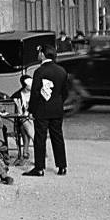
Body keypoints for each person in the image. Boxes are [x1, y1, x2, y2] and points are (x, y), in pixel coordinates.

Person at [25, 46, 70, 176]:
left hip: (42, 110)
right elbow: (65, 92)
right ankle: (62, 166)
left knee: (40, 138)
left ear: (43, 54)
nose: (38, 54)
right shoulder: (62, 71)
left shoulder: (39, 71)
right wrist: (59, 103)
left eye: (39, 52)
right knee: (58, 137)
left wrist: (31, 109)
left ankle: (39, 168)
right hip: (57, 109)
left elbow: (35, 93)